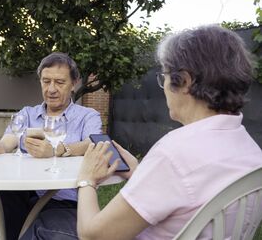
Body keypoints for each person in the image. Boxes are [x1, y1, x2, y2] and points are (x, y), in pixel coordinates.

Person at [75, 25, 262, 239]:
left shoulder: (175, 152)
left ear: (184, 80)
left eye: (163, 75)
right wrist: (140, 172)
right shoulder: (251, 150)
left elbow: (93, 235)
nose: (163, 85)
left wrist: (86, 180)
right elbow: (191, 190)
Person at [0, 52, 102, 239]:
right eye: (46, 81)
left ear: (74, 83)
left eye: (59, 82)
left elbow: (94, 143)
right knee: (5, 200)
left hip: (63, 200)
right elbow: (7, 142)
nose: (51, 89)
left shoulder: (87, 116)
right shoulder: (27, 114)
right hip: (23, 197)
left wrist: (57, 150)